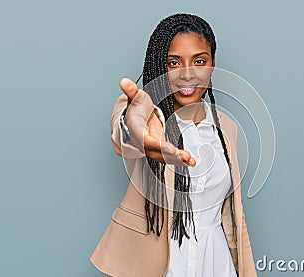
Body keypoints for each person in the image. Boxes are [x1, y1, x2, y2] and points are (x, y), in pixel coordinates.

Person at [90, 13, 257, 277]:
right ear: (159, 67)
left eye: (199, 61)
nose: (188, 74)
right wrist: (139, 131)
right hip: (161, 265)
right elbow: (124, 128)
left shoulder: (227, 128)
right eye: (173, 63)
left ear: (213, 64)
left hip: (217, 263)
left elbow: (235, 217)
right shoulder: (146, 115)